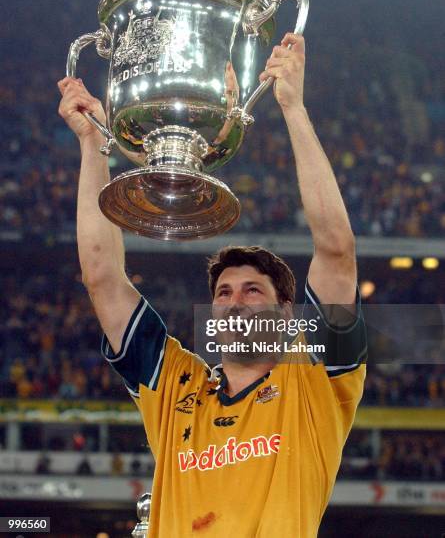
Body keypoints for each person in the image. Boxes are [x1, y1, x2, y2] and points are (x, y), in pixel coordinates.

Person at [58, 33, 366, 537]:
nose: (234, 303)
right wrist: (93, 145)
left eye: (252, 291)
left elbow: (336, 251)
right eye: (223, 293)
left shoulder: (312, 383)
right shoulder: (176, 385)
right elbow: (103, 279)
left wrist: (293, 108)